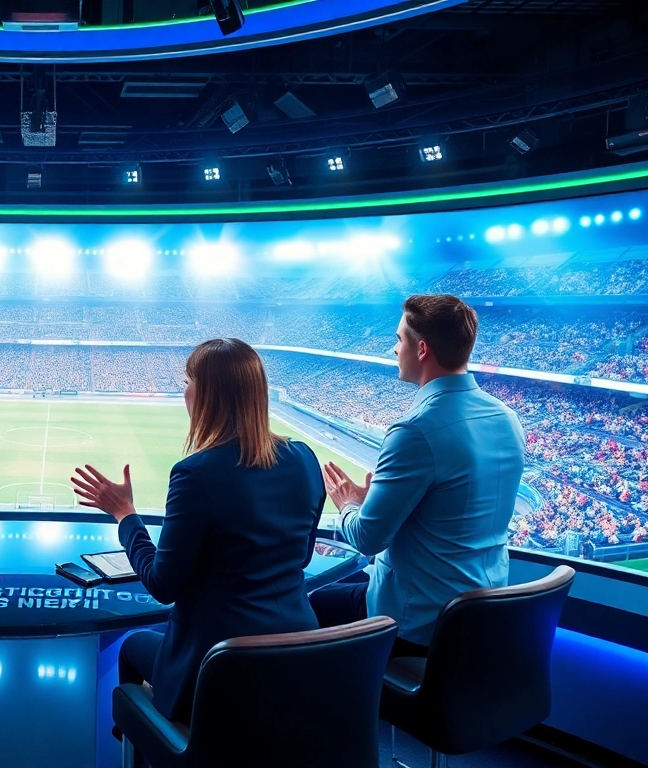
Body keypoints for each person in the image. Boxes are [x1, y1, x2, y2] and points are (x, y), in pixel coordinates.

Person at [71, 338, 325, 724]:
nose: (184, 391)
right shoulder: (304, 457)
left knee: (133, 646)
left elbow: (163, 584)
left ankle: (153, 744)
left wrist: (125, 515)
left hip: (220, 668)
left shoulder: (196, 473)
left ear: (206, 394)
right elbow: (301, 555)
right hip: (299, 655)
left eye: (188, 381)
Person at [313, 294, 525, 651]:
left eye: (399, 340)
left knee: (312, 603)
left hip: (418, 623)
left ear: (422, 349)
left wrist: (349, 504)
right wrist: (377, 503)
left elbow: (367, 539)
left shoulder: (415, 430)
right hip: (483, 614)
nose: (395, 349)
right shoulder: (507, 418)